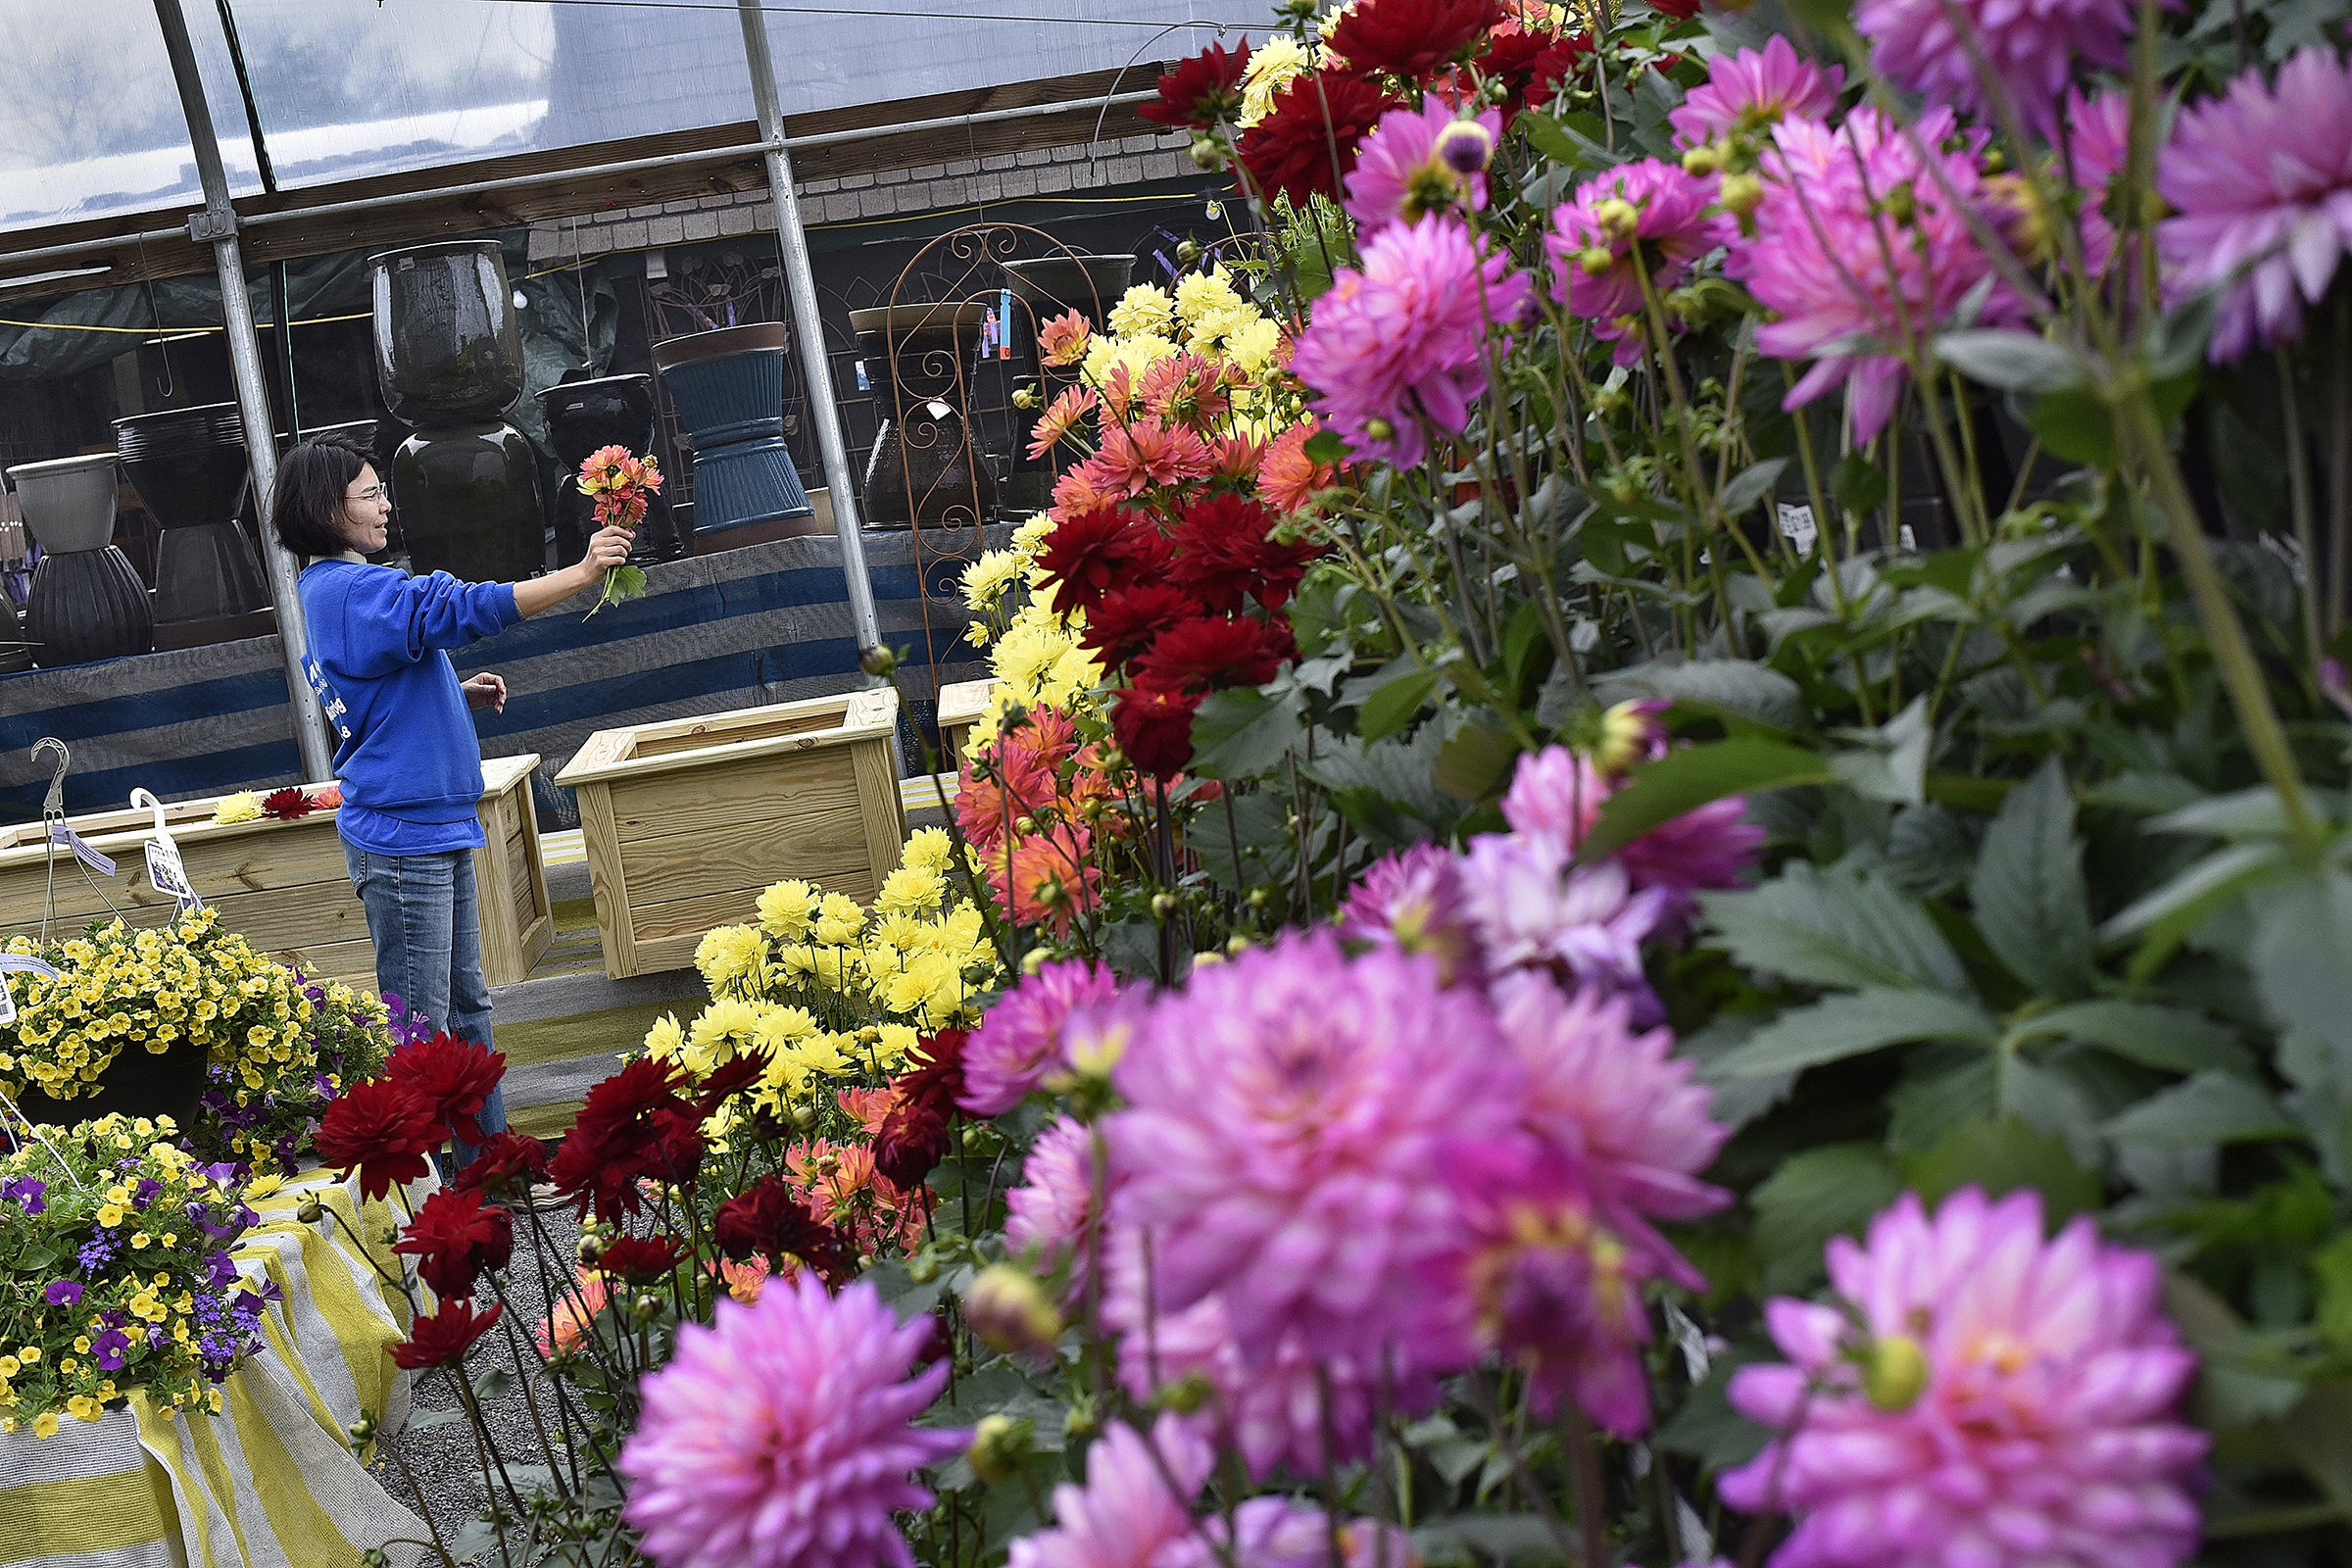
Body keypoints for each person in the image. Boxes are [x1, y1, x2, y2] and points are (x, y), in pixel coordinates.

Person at [272, 431, 630, 1169]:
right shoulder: (356, 590)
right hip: (402, 838)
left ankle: (487, 1168)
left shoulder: (332, 590)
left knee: (466, 1009)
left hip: (430, 825)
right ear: (325, 510)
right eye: (370, 494)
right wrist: (580, 573)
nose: (385, 505)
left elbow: (368, 690)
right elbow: (459, 610)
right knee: (421, 1029)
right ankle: (422, 1187)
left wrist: (446, 692)